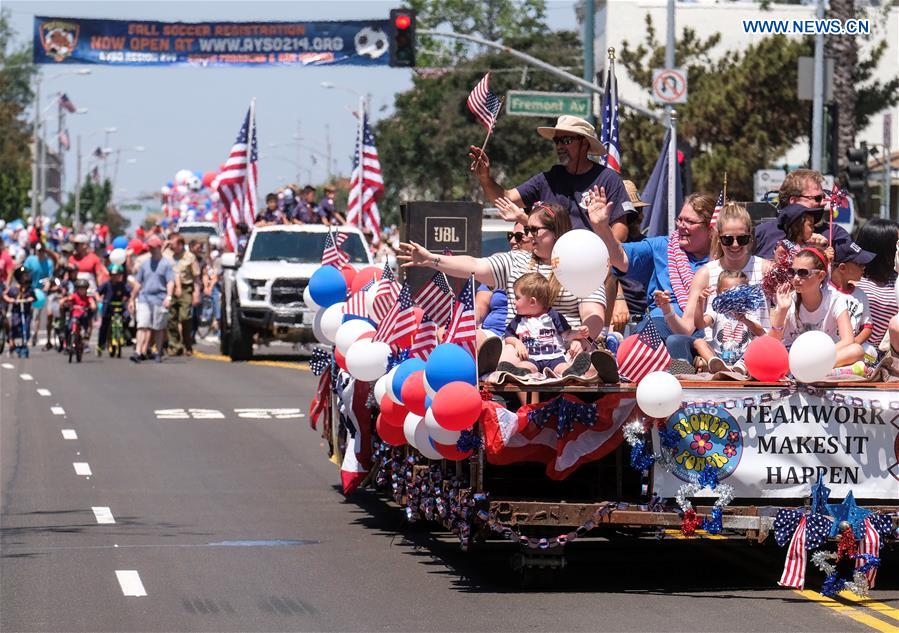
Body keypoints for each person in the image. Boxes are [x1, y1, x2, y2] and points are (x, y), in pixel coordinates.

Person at [398, 202, 616, 380]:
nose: (528, 236)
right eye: (527, 229)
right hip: (519, 344)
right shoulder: (517, 259)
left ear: (556, 231)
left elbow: (593, 314)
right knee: (479, 341)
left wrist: (582, 337)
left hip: (565, 346)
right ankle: (506, 374)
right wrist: (432, 260)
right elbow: (475, 265)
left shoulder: (583, 263)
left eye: (534, 230)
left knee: (586, 369)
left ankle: (578, 373)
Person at [590, 186, 716, 362]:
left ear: (710, 228)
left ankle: (687, 366)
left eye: (689, 221)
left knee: (674, 340)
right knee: (651, 333)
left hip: (709, 331)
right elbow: (620, 258)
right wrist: (602, 227)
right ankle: (619, 364)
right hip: (661, 327)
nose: (681, 226)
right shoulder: (662, 246)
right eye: (679, 219)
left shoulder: (721, 258)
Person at [468, 115, 634, 235]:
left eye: (567, 140)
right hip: (552, 267)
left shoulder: (607, 179)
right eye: (557, 141)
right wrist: (485, 178)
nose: (560, 146)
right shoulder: (549, 178)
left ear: (584, 143)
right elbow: (508, 199)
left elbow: (621, 231)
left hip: (593, 268)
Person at [768, 247, 863, 368]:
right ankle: (815, 369)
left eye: (803, 273)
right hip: (793, 356)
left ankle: (810, 368)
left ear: (821, 276)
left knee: (856, 350)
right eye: (792, 272)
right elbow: (772, 343)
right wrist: (782, 310)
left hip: (822, 355)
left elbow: (848, 340)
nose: (796, 278)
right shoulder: (787, 300)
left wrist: (815, 356)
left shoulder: (835, 299)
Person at [661, 270, 765, 373]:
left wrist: (745, 320)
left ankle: (741, 366)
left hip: (741, 358)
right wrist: (700, 303)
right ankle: (702, 366)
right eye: (726, 292)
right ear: (718, 293)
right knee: (695, 341)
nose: (731, 296)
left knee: (757, 343)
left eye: (736, 292)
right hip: (717, 356)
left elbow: (761, 333)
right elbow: (700, 324)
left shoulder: (748, 313)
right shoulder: (717, 312)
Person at [499, 273, 592, 377]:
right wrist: (517, 343)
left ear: (532, 301)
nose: (513, 301)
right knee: (525, 366)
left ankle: (573, 371)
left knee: (562, 367)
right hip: (531, 358)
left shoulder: (553, 316)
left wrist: (579, 333)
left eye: (517, 298)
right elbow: (508, 336)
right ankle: (517, 372)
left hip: (555, 357)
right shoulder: (519, 320)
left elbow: (567, 334)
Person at [753, 169, 851, 259]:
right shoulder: (762, 234)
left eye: (824, 196)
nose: (824, 202)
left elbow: (851, 271)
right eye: (817, 198)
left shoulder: (835, 234)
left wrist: (823, 252)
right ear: (794, 201)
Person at [475, 221, 532, 338]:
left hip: (522, 334)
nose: (512, 241)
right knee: (445, 332)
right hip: (490, 333)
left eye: (518, 237)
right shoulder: (501, 265)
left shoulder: (543, 269)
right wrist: (469, 322)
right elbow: (480, 306)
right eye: (510, 236)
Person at [854, 219, 898, 355]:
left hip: (890, 354)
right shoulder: (854, 278)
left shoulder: (896, 277)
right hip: (857, 352)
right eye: (897, 242)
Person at [130, 236, 174, 363]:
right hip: (145, 298)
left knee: (158, 327)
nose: (151, 250)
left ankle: (158, 352)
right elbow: (138, 282)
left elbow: (170, 281)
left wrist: (169, 297)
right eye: (149, 248)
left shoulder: (166, 264)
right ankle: (138, 352)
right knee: (142, 325)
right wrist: (132, 299)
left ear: (159, 248)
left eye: (153, 248)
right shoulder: (145, 264)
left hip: (159, 298)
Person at [829, 238, 875, 348]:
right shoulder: (825, 291)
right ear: (842, 268)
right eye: (859, 264)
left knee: (870, 352)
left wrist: (853, 344)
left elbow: (867, 326)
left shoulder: (860, 295)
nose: (864, 267)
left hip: (851, 346)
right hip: (828, 346)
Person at [166, 234, 201, 356]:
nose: (171, 245)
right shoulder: (167, 255)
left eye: (173, 243)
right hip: (171, 288)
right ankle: (175, 346)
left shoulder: (190, 257)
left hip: (186, 289)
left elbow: (196, 277)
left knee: (185, 317)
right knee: (171, 318)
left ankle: (188, 343)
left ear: (180, 245)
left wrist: (196, 293)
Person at [23, 242, 59, 347]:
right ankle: (27, 334)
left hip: (41, 293)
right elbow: (25, 272)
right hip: (30, 290)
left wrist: (47, 283)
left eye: (42, 251)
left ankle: (34, 336)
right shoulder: (30, 260)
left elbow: (50, 276)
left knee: (36, 315)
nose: (40, 253)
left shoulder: (49, 263)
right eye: (38, 251)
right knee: (27, 314)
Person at [96, 264, 133, 356]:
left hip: (120, 307)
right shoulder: (107, 284)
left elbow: (129, 293)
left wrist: (128, 300)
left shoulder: (123, 285)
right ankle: (100, 345)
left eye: (118, 275)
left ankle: (124, 337)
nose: (115, 277)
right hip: (108, 307)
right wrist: (99, 299)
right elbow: (97, 292)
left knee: (127, 318)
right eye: (113, 275)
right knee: (104, 326)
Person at [3, 267, 35, 357]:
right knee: (16, 328)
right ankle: (14, 345)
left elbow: (34, 297)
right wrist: (10, 300)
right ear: (20, 277)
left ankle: (24, 345)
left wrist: (30, 299)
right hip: (16, 313)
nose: (27, 277)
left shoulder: (29, 289)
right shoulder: (14, 289)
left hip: (26, 312)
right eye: (25, 275)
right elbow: (5, 295)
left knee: (26, 328)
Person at [59, 278, 96, 353]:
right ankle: (68, 344)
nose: (82, 291)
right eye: (80, 289)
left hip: (83, 317)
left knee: (87, 320)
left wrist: (92, 305)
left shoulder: (88, 297)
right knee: (68, 327)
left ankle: (85, 334)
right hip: (74, 316)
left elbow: (92, 303)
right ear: (77, 289)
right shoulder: (74, 296)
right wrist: (63, 301)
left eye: (84, 289)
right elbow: (68, 299)